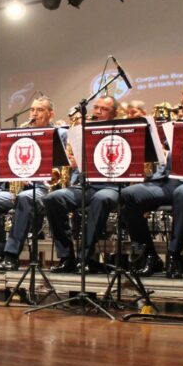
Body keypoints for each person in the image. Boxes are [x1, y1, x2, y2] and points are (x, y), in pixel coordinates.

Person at [119, 79, 183, 279]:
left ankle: (174, 256)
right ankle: (150, 256)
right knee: (128, 195)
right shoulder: (175, 124)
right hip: (169, 180)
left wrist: (167, 154)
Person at [0, 96, 72, 271]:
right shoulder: (22, 133)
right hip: (22, 187)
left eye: (40, 110)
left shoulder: (61, 134)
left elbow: (65, 166)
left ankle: (11, 256)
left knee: (24, 198)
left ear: (51, 114)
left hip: (46, 188)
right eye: (32, 110)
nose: (34, 114)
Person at [41, 95, 120, 273]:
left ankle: (85, 258)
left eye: (104, 109)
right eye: (96, 107)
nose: (98, 112)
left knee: (101, 199)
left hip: (112, 186)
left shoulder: (121, 130)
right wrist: (75, 160)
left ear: (115, 113)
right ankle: (66, 256)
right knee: (53, 199)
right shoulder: (84, 131)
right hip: (87, 185)